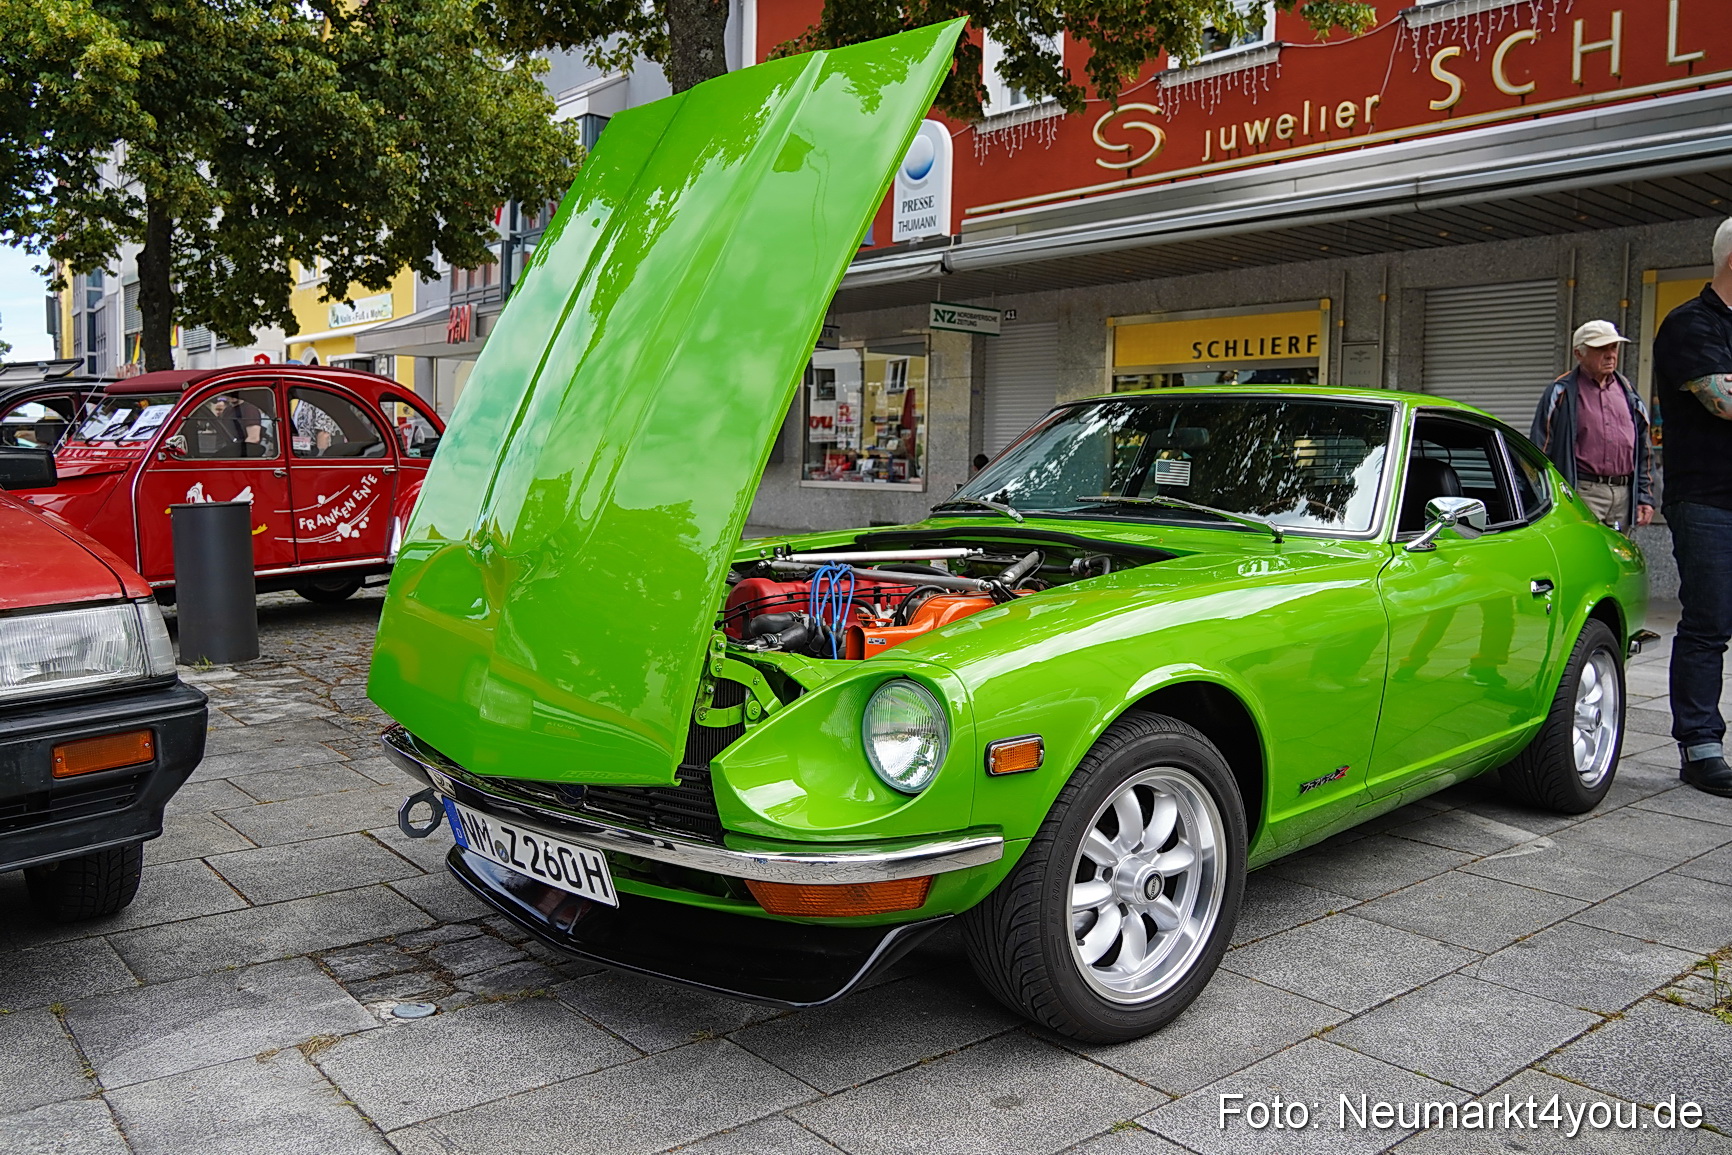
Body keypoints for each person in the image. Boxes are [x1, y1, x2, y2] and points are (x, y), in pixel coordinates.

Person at [1653, 218, 1732, 798]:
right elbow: (1724, 399)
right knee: (1709, 623)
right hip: (1708, 500)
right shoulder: (1689, 324)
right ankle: (1700, 747)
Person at [1530, 320, 1654, 532]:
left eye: (1613, 347)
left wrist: (1644, 496)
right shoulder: (1561, 392)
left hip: (1624, 494)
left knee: (1618, 558)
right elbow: (1540, 450)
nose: (1610, 354)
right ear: (1579, 354)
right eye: (1600, 349)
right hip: (1583, 491)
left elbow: (1644, 447)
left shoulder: (1628, 392)